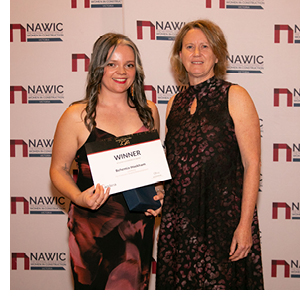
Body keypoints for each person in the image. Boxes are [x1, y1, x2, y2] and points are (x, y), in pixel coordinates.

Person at [50, 33, 164, 290]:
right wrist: (79, 198)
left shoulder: (149, 111)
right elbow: (57, 170)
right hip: (92, 230)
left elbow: (153, 170)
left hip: (137, 228)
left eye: (129, 64)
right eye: (112, 64)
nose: (121, 71)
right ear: (98, 67)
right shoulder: (77, 116)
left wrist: (159, 192)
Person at [156, 20, 264, 289]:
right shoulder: (173, 103)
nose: (196, 53)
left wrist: (245, 225)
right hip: (179, 223)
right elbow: (170, 163)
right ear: (180, 56)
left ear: (217, 54)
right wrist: (157, 189)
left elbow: (252, 164)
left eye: (205, 46)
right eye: (189, 47)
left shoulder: (235, 96)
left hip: (223, 223)